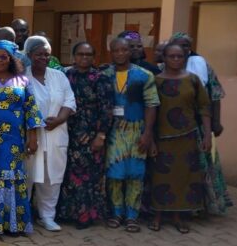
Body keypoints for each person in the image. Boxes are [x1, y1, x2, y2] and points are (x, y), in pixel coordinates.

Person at [0, 40, 44, 236]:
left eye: (3, 57)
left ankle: (13, 224)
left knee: (12, 177)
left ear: (11, 59)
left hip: (14, 139)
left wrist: (33, 137)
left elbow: (31, 109)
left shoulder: (22, 81)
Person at [148, 42, 211, 233]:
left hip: (187, 137)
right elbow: (150, 110)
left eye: (180, 56)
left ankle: (178, 217)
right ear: (164, 58)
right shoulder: (155, 81)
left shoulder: (193, 80)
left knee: (184, 177)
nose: (176, 60)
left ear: (185, 58)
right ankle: (157, 216)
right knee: (160, 178)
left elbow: (204, 107)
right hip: (162, 137)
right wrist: (150, 138)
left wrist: (207, 134)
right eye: (171, 56)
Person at [169, 32, 232, 214]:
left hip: (198, 125)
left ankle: (204, 204)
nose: (183, 49)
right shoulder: (164, 66)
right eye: (179, 45)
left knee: (203, 164)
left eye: (186, 46)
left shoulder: (202, 66)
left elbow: (215, 95)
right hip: (173, 127)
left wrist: (216, 122)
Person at [102, 37, 159, 233]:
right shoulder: (104, 74)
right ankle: (116, 213)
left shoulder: (144, 75)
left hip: (137, 131)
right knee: (114, 174)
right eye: (116, 50)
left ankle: (132, 216)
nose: (120, 54)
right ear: (111, 52)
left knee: (135, 174)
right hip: (113, 132)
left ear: (130, 52)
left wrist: (148, 134)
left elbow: (152, 104)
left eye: (124, 50)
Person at [56, 42, 114, 229]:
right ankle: (66, 212)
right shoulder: (65, 75)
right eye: (80, 54)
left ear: (94, 57)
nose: (84, 58)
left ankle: (85, 215)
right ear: (74, 56)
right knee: (67, 173)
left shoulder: (100, 79)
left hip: (90, 133)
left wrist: (101, 135)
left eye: (88, 55)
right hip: (67, 130)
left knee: (88, 176)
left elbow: (106, 110)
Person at [22, 36, 75, 232]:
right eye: (39, 54)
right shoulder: (23, 78)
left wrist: (60, 119)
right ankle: (24, 215)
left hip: (56, 134)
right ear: (29, 55)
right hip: (31, 136)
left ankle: (47, 216)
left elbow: (70, 101)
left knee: (52, 178)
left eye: (47, 54)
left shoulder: (59, 76)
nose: (43, 57)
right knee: (27, 175)